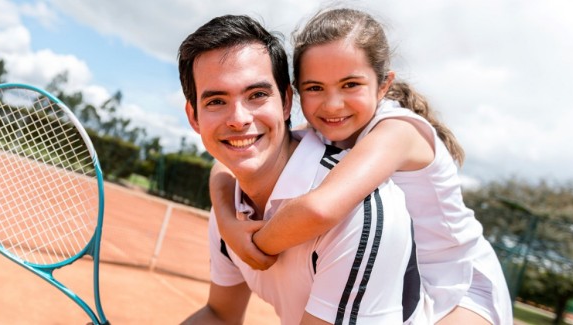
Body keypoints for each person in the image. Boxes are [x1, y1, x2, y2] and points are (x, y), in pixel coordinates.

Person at [210, 8, 513, 325]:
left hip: (461, 287)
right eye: (315, 88)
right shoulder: (323, 129)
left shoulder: (398, 132)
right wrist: (228, 221)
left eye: (350, 84)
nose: (333, 104)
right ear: (297, 91)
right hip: (402, 283)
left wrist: (251, 246)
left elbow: (320, 209)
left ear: (383, 85)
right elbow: (229, 163)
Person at [178, 14, 426, 325]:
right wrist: (227, 219)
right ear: (194, 117)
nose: (238, 119)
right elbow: (220, 315)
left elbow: (321, 209)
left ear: (285, 101)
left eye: (256, 95)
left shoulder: (361, 210)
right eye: (216, 101)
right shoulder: (230, 207)